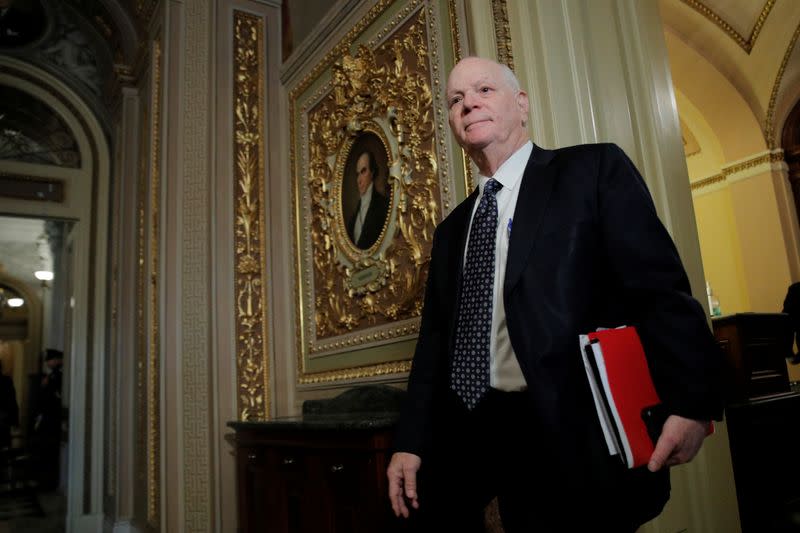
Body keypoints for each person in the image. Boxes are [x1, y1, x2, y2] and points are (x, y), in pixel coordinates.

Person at [386, 57, 725, 531]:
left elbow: (659, 290)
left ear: (521, 105)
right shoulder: (451, 232)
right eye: (456, 100)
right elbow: (435, 345)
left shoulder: (592, 171)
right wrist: (411, 440)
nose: (469, 104)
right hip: (484, 439)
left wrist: (693, 403)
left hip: (581, 437)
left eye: (484, 89)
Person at [346, 150, 389, 249]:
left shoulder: (384, 206)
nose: (359, 180)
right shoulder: (354, 216)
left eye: (363, 171)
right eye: (357, 174)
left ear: (372, 172)